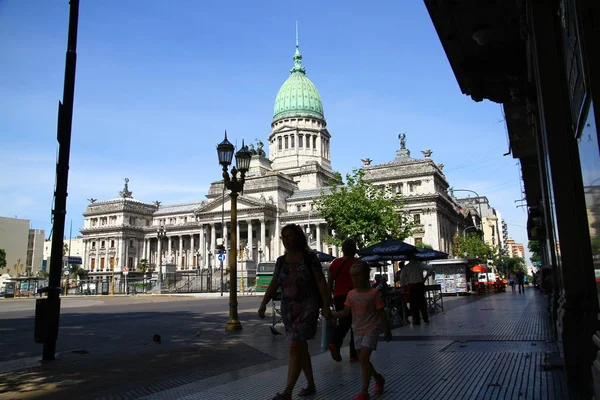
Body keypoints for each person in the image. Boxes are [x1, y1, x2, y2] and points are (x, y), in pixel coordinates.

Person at [258, 224, 331, 400]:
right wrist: (263, 303)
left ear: (298, 237)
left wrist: (326, 304)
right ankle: (311, 385)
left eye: (290, 236)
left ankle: (287, 391)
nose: (286, 240)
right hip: (289, 309)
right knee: (300, 347)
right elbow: (274, 282)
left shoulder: (309, 257)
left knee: (295, 347)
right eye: (284, 237)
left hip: (307, 306)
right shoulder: (281, 261)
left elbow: (321, 282)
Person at [332, 261, 392, 400]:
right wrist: (332, 314)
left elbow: (381, 312)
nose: (356, 279)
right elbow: (345, 312)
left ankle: (364, 392)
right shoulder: (351, 295)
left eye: (359, 275)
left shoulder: (373, 293)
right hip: (357, 330)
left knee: (364, 358)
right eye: (353, 276)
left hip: (371, 329)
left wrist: (387, 329)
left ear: (366, 276)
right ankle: (378, 379)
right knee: (363, 360)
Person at [327, 238, 360, 362]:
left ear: (342, 249)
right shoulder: (358, 263)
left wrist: (329, 297)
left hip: (339, 296)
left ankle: (335, 343)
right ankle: (353, 353)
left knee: (344, 322)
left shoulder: (335, 263)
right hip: (355, 295)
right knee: (355, 325)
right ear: (355, 249)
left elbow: (329, 282)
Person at [398, 254, 433, 325]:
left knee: (413, 303)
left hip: (412, 286)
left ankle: (416, 320)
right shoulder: (419, 264)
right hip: (420, 284)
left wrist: (403, 286)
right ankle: (425, 318)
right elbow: (430, 268)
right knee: (422, 302)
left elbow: (401, 277)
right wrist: (425, 278)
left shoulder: (406, 267)